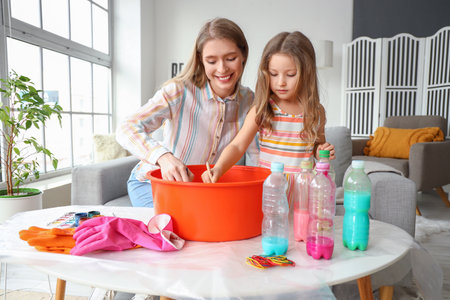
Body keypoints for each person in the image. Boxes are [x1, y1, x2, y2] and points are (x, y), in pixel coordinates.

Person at [116, 18, 258, 208]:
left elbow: (255, 153)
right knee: (175, 226)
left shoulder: (250, 100)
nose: (222, 68)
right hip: (150, 184)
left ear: (243, 56)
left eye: (230, 58)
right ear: (201, 60)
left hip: (200, 191)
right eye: (211, 61)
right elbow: (126, 127)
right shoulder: (179, 91)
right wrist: (164, 158)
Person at [201, 31, 335, 206]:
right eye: (273, 74)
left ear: (307, 73)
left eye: (291, 74)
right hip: (271, 191)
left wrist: (321, 150)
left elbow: (317, 144)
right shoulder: (263, 109)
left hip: (304, 194)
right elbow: (238, 145)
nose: (281, 82)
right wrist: (218, 167)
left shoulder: (316, 112)